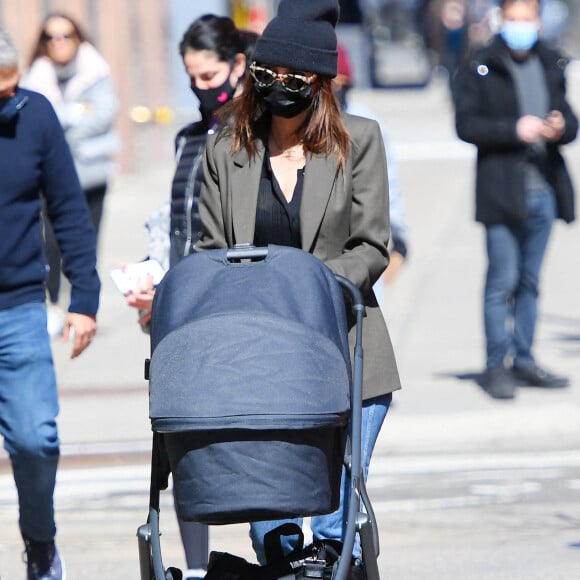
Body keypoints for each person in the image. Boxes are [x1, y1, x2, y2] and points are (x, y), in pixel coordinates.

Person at [195, 0, 401, 569]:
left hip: (345, 346)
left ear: (320, 80)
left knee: (333, 527)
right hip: (258, 358)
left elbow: (372, 246)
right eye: (266, 73)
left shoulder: (359, 140)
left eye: (292, 76)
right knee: (273, 528)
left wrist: (303, 289)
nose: (277, 86)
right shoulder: (225, 147)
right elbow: (210, 249)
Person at [125, 15, 254, 579]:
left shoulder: (254, 131)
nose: (203, 86)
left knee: (254, 442)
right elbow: (174, 223)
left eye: (210, 75)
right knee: (180, 445)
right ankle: (197, 568)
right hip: (182, 313)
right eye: (192, 77)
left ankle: (279, 553)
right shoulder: (189, 137)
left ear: (238, 64)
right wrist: (154, 275)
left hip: (237, 308)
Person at [0, 28, 100, 580]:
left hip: (17, 308)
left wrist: (84, 298)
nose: (9, 101)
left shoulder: (34, 115)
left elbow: (68, 209)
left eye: (13, 86)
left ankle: (40, 541)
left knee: (36, 439)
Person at [453, 0, 577, 399]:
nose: (521, 26)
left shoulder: (551, 62)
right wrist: (513, 129)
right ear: (501, 20)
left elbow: (571, 121)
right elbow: (466, 124)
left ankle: (524, 358)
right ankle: (496, 364)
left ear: (539, 21)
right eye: (514, 19)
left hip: (544, 189)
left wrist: (560, 126)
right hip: (502, 190)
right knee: (501, 279)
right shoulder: (481, 64)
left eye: (528, 19)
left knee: (530, 281)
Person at [23, 13, 118, 338]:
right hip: (49, 179)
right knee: (48, 242)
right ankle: (51, 303)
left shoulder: (96, 70)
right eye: (51, 37)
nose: (59, 43)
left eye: (66, 36)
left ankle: (81, 304)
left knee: (85, 240)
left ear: (78, 38)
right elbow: (36, 125)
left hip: (91, 174)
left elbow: (104, 114)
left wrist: (60, 127)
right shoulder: (34, 77)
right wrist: (77, 113)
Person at [334, 43, 410, 285]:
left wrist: (399, 237)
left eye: (340, 84)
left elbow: (388, 181)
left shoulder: (365, 123)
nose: (334, 91)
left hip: (361, 244)